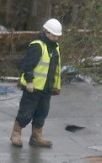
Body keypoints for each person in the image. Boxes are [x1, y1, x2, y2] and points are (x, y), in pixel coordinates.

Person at [10, 19, 63, 148]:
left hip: (47, 88)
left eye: (58, 36)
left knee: (42, 113)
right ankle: (16, 134)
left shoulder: (55, 49)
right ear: (46, 32)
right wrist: (29, 81)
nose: (56, 38)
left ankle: (36, 137)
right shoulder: (37, 46)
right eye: (54, 35)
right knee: (26, 112)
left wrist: (56, 86)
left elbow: (56, 69)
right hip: (33, 88)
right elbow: (27, 65)